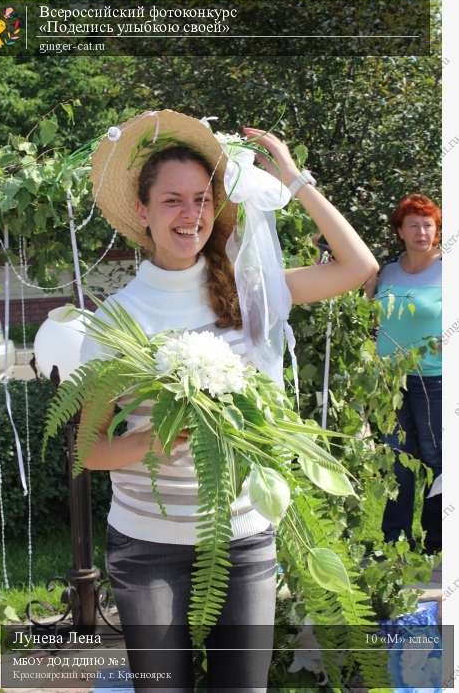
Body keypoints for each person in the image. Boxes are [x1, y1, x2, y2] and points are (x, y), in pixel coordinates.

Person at [78, 109, 378, 691]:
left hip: (242, 539)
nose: (190, 215)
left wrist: (293, 179)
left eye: (200, 199)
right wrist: (153, 440)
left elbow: (358, 267)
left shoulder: (250, 290)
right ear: (142, 212)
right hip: (148, 548)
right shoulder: (117, 320)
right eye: (171, 201)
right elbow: (88, 450)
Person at [365, 194, 442, 554]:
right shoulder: (388, 271)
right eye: (413, 224)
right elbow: (370, 313)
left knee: (435, 459)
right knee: (397, 460)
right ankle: (394, 538)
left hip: (435, 380)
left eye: (428, 224)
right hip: (389, 381)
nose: (422, 231)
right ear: (400, 230)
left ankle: (436, 539)